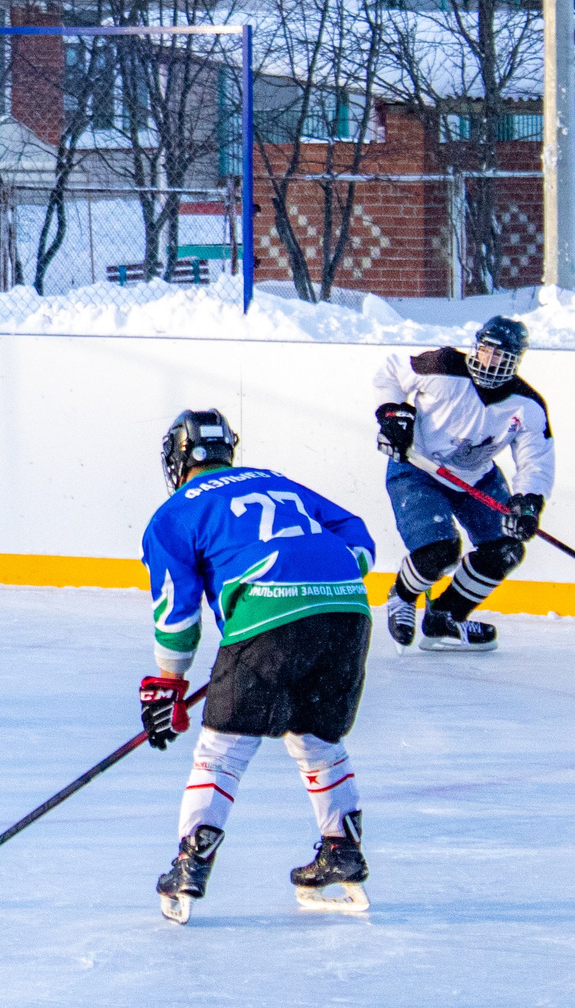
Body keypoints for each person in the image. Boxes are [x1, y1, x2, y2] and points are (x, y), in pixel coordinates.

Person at [138, 409, 377, 921]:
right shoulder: (276, 481)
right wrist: (322, 580)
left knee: (221, 750)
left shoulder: (175, 513)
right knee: (316, 738)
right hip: (348, 611)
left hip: (270, 610)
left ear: (177, 459)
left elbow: (177, 612)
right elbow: (357, 536)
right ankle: (342, 851)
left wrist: (168, 683)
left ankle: (190, 863)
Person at [370, 314, 553, 652]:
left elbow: (535, 460)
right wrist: (393, 412)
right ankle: (403, 595)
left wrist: (528, 500)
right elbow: (392, 371)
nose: (489, 360)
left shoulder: (528, 405)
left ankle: (444, 618)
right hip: (419, 469)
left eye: (500, 355)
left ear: (516, 360)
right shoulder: (444, 366)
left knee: (507, 549)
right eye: (485, 350)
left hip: (477, 478)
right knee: (440, 550)